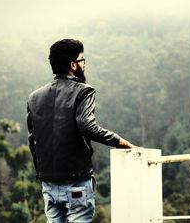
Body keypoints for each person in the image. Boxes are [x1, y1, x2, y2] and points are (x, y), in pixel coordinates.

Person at [26, 39, 136, 222]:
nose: (84, 64)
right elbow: (87, 125)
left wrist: (42, 174)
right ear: (72, 65)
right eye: (81, 60)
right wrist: (120, 141)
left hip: (48, 183)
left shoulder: (34, 97)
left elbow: (33, 140)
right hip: (76, 182)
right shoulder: (84, 91)